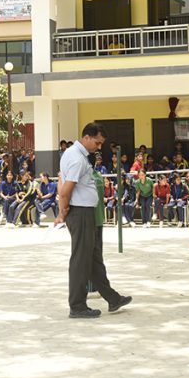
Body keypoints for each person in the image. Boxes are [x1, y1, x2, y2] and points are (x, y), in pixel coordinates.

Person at [57, 123, 131, 318]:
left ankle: (112, 298)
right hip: (80, 212)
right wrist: (62, 212)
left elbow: (60, 179)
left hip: (85, 212)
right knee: (81, 260)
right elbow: (65, 189)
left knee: (93, 258)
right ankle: (78, 306)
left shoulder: (75, 154)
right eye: (97, 143)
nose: (99, 147)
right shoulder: (76, 158)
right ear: (87, 137)